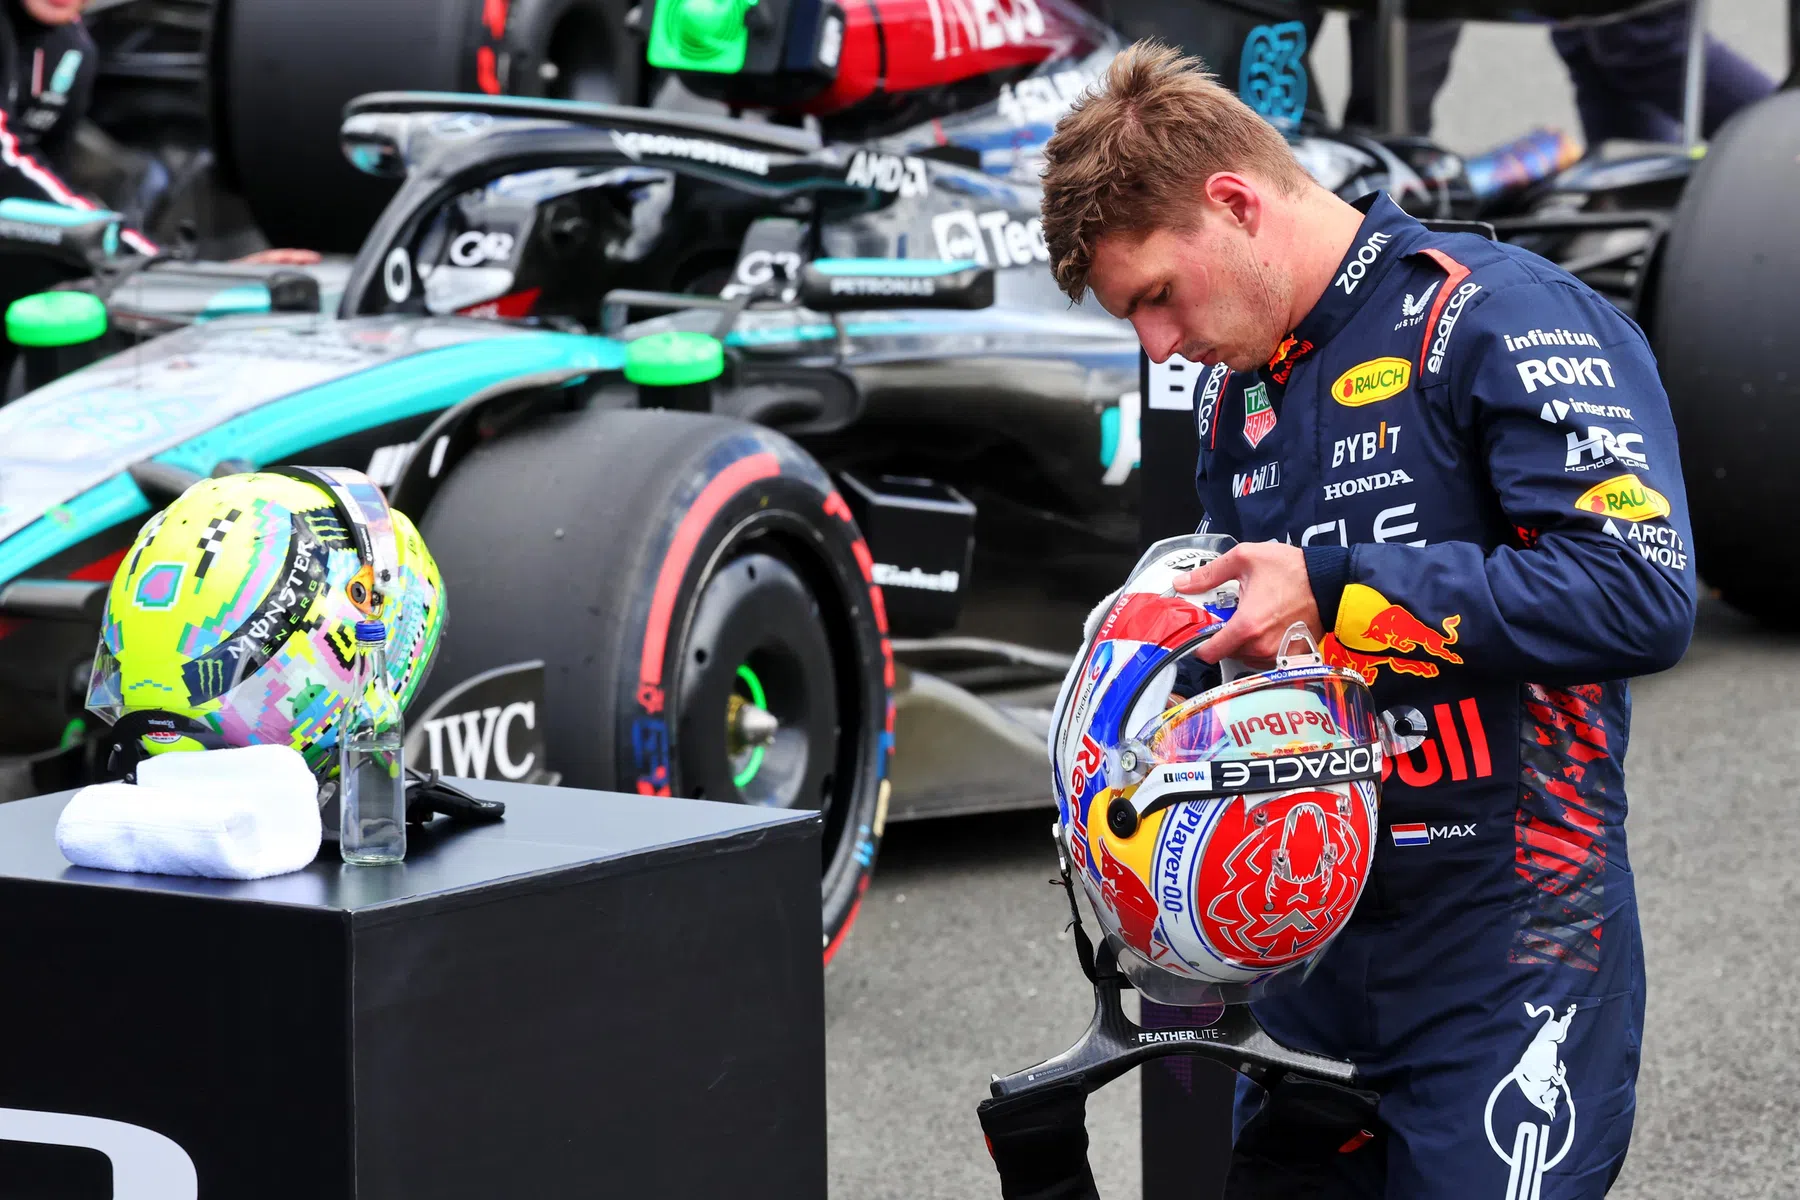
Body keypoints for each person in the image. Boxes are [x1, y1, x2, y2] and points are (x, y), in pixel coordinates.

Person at [1038, 40, 1696, 1197]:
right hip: (1307, 977)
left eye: (1156, 296)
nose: (1157, 345)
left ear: (1234, 204)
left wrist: (1341, 589)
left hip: (1511, 965)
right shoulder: (1240, 402)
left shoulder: (1499, 318)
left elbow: (1642, 592)